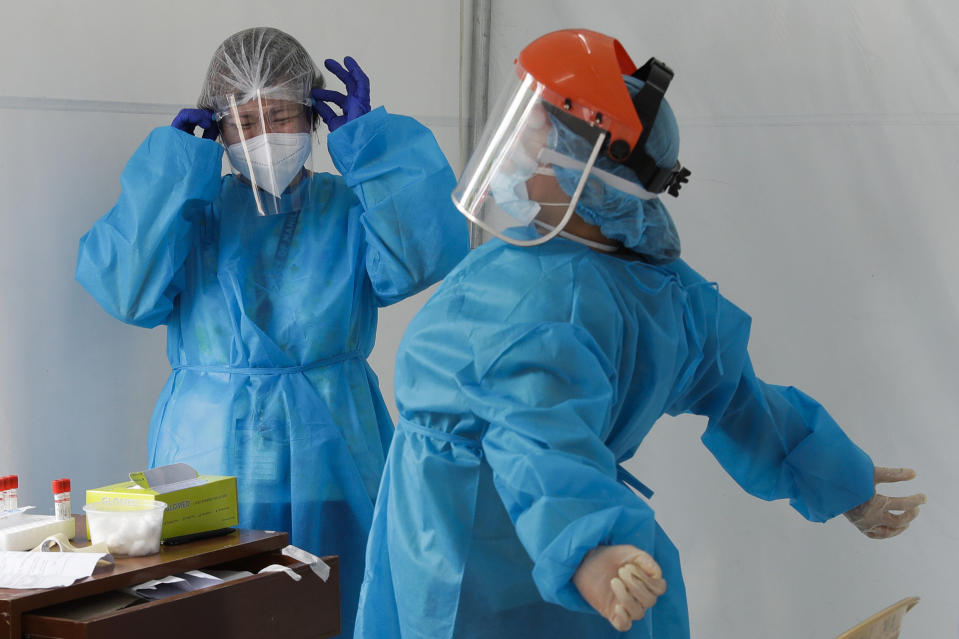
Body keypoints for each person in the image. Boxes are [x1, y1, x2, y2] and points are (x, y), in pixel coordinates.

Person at [354, 29, 925, 638]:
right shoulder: (659, 286)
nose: (513, 144)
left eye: (535, 130)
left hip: (469, 538)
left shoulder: (541, 304)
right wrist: (845, 483)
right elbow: (741, 399)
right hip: (563, 528)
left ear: (588, 167)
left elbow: (540, 443)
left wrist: (590, 553)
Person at [76, 27, 467, 638]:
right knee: (213, 609)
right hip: (212, 455)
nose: (263, 136)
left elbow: (424, 256)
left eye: (280, 115)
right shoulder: (194, 213)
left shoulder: (349, 208)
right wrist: (172, 174)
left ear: (312, 117)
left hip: (333, 446)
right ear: (220, 130)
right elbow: (127, 292)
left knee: (339, 601)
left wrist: (372, 150)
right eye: (244, 122)